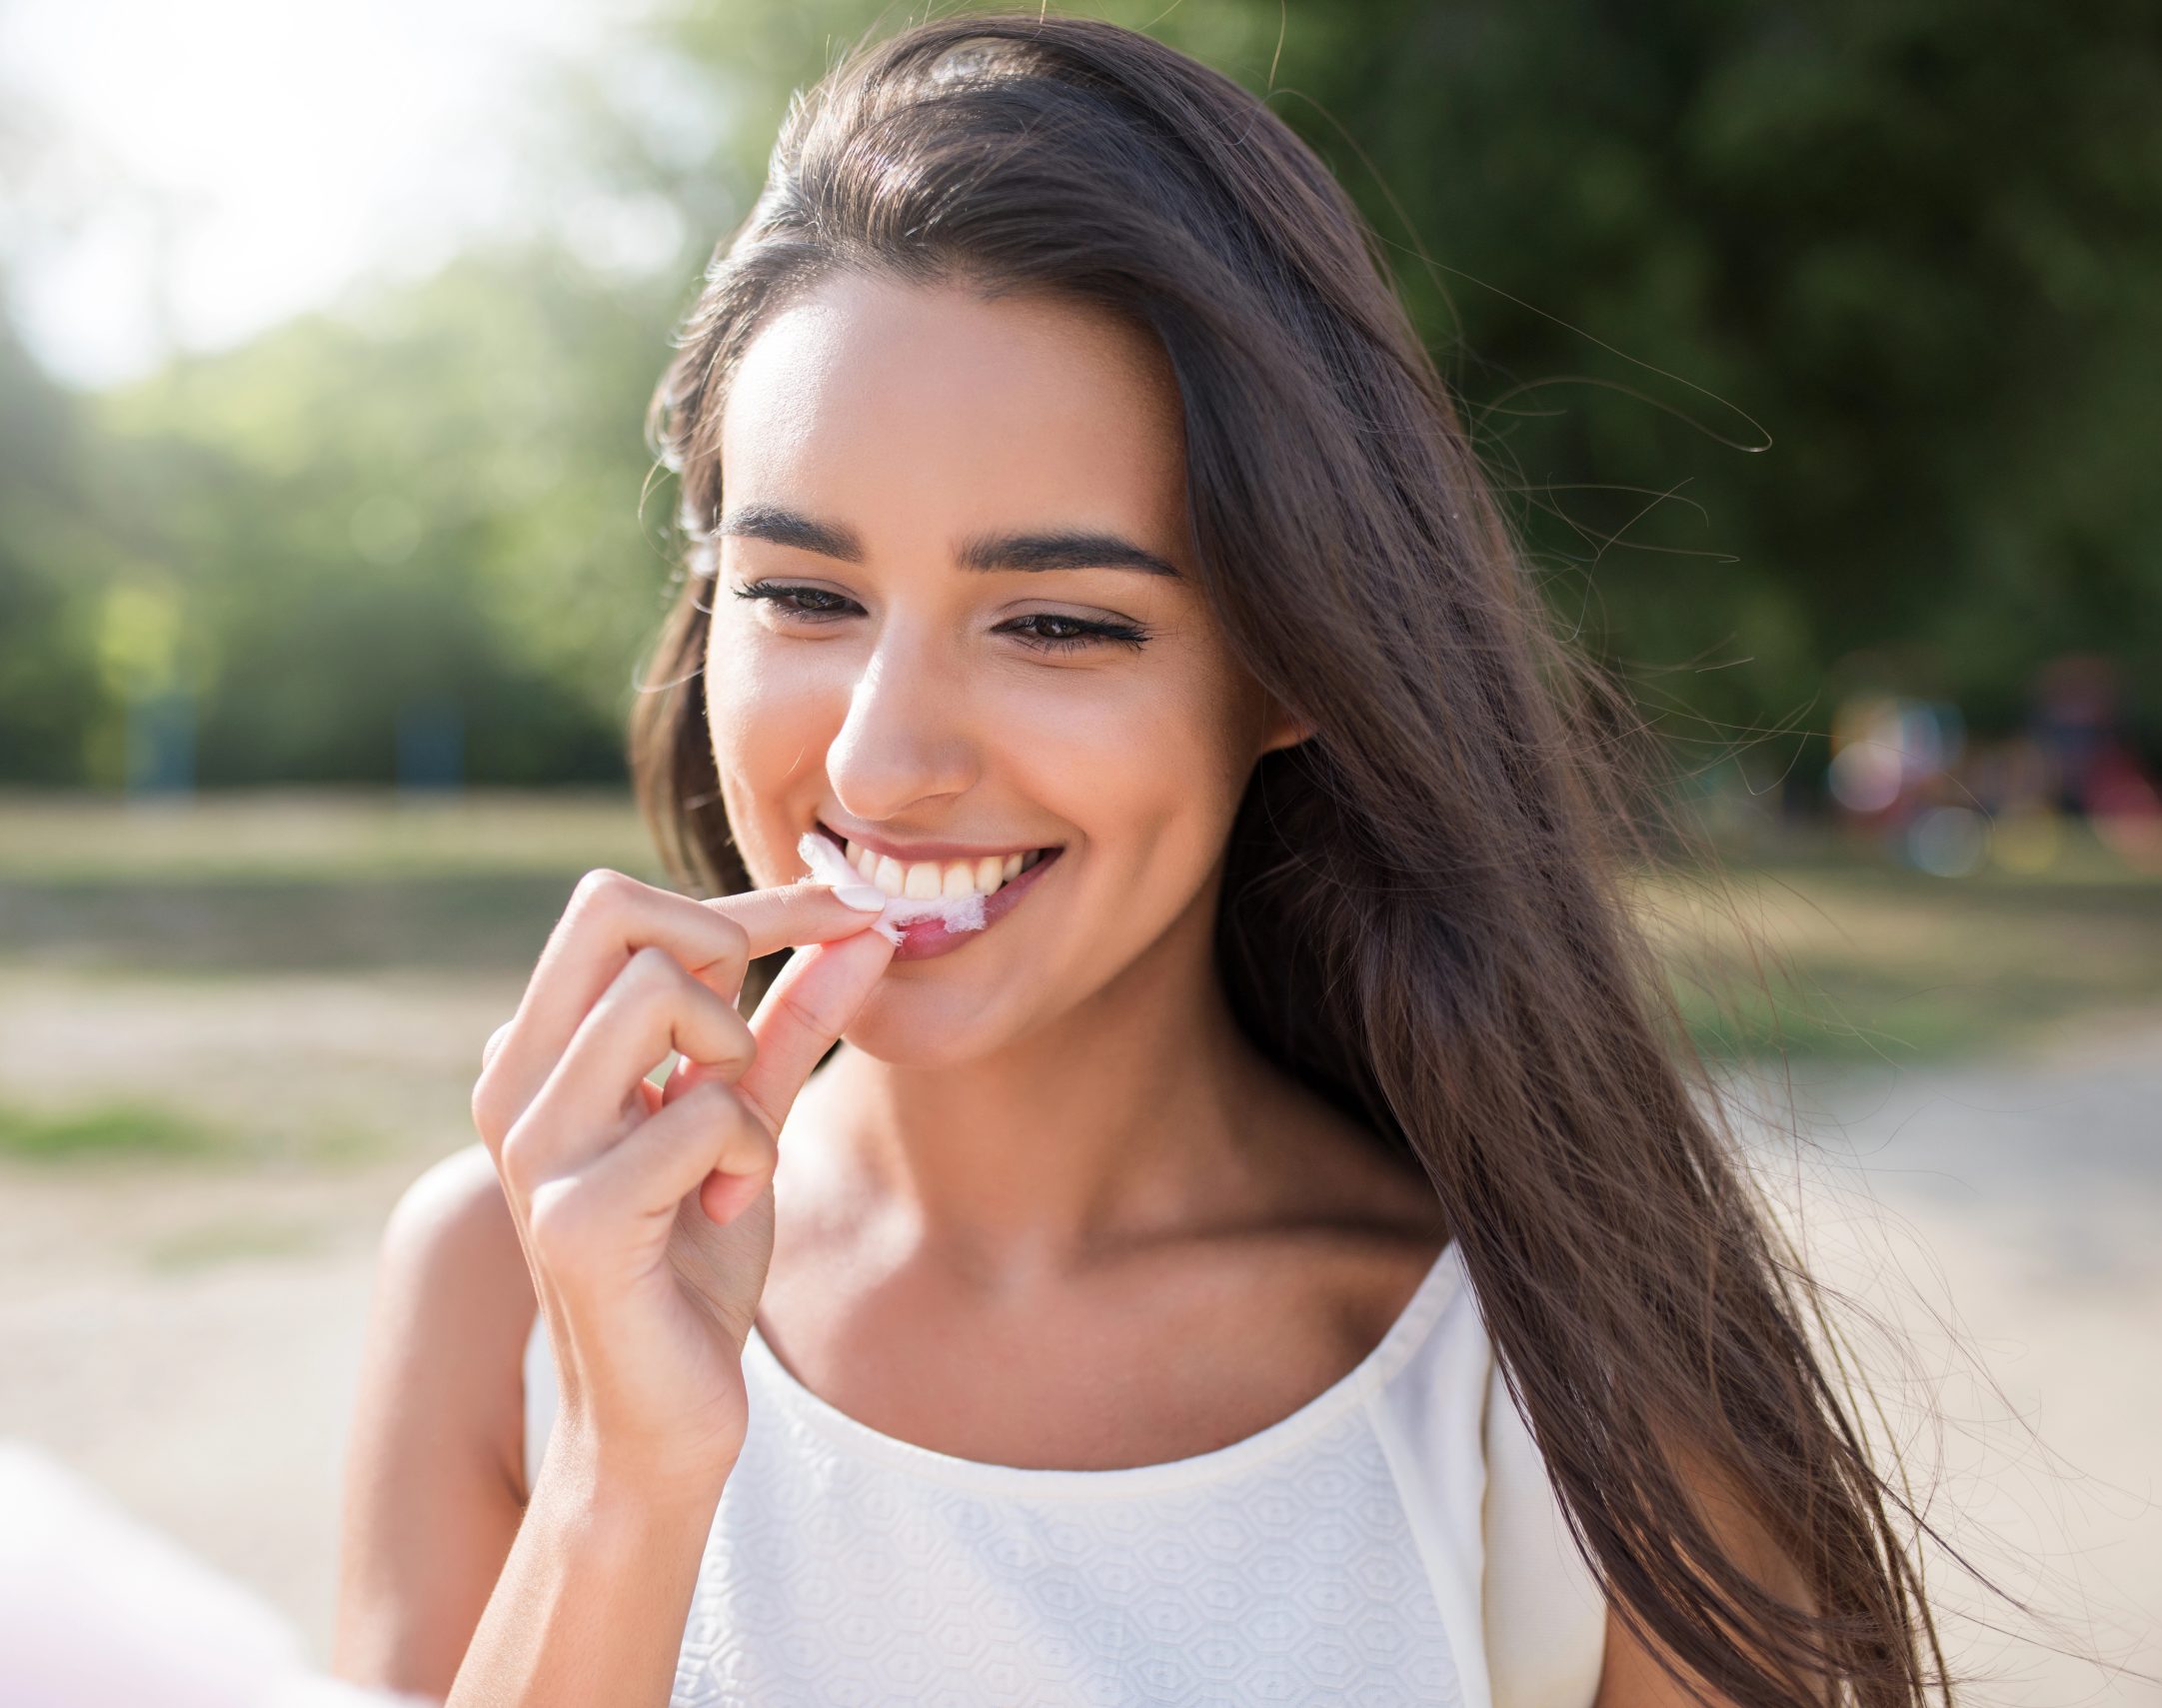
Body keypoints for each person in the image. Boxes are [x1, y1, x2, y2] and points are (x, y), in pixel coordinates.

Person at [331, 14, 1947, 1706]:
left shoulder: (1569, 1400)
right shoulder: (503, 1286)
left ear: (1296, 667)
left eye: (1056, 621)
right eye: (804, 593)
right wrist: (617, 1488)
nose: (883, 758)